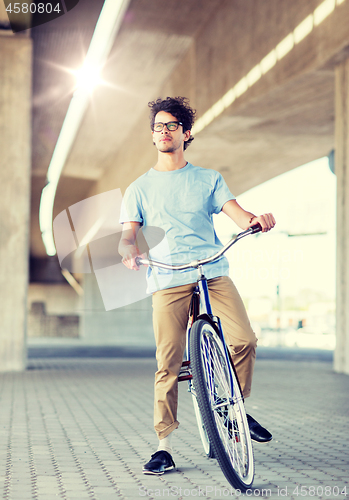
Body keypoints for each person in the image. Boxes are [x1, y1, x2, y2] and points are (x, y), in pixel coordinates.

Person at [119, 96, 276, 475]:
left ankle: (234, 409)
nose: (163, 131)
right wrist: (130, 252)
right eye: (157, 126)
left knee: (243, 340)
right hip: (168, 277)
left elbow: (238, 214)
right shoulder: (139, 188)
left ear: (186, 133)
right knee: (168, 361)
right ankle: (164, 445)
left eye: (171, 125)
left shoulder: (208, 179)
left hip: (211, 271)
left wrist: (255, 221)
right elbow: (128, 237)